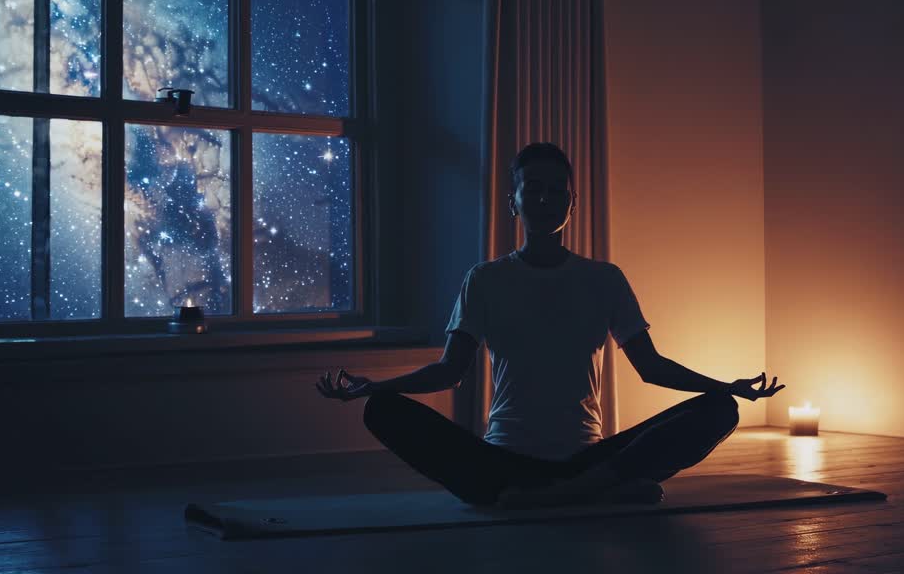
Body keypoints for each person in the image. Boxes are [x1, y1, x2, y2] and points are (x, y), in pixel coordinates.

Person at [316, 142, 785, 509]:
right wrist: (373, 387)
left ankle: (574, 492)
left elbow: (652, 366)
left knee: (720, 411)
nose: (544, 198)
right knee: (382, 411)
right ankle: (597, 493)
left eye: (556, 190)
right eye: (532, 189)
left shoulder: (603, 279)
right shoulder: (485, 279)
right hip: (502, 462)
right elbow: (449, 371)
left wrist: (728, 386)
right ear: (513, 202)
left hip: (588, 459)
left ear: (572, 202)